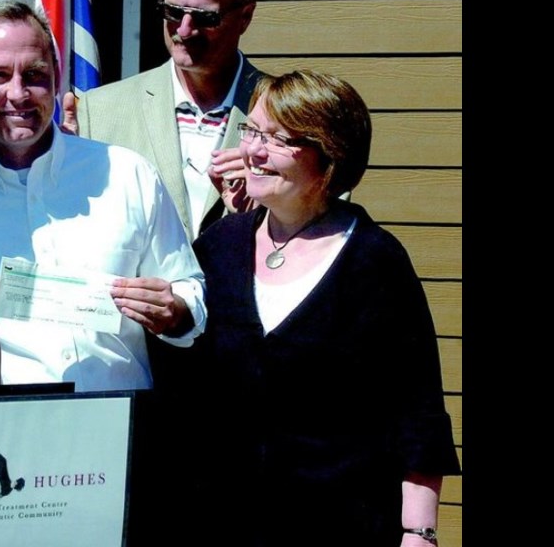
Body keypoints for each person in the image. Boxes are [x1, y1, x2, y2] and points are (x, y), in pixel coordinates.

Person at [191, 70, 460, 546]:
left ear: (329, 155)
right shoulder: (219, 248)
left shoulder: (375, 262)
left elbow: (416, 410)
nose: (252, 151)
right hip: (224, 521)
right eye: (251, 131)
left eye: (277, 139)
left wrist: (419, 532)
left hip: (342, 525)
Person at [0, 0, 206, 391]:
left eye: (34, 75)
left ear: (58, 77)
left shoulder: (127, 175)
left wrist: (174, 310)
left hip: (116, 426)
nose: (19, 93)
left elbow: (187, 289)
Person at [65, 0, 264, 241]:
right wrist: (56, 168)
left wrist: (270, 207)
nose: (184, 30)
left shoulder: (291, 114)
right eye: (173, 11)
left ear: (246, 17)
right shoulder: (98, 112)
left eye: (204, 17)